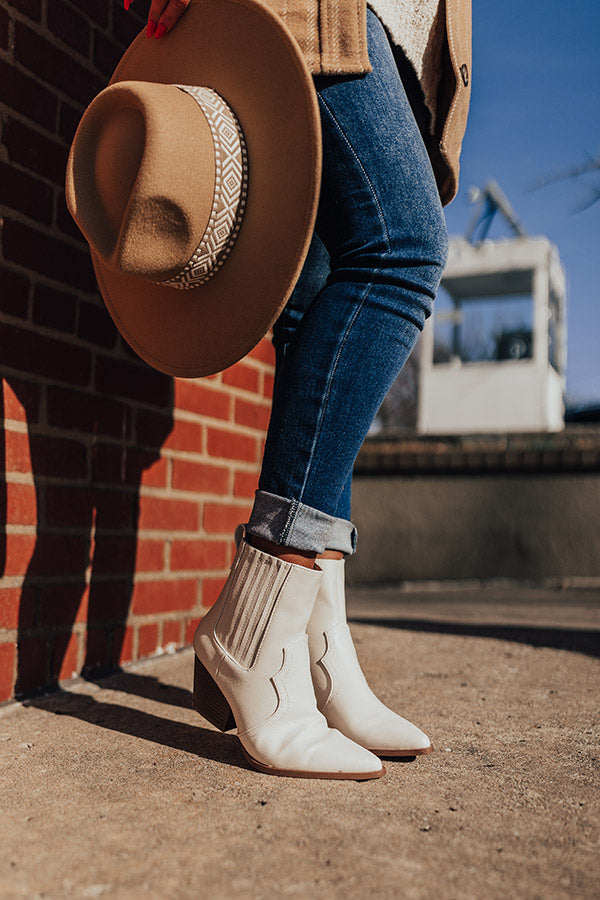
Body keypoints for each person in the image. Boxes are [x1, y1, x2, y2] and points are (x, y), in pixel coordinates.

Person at [125, 0, 471, 779]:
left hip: (395, 28)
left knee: (319, 296)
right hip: (322, 10)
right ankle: (255, 625)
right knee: (400, 252)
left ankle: (319, 651)